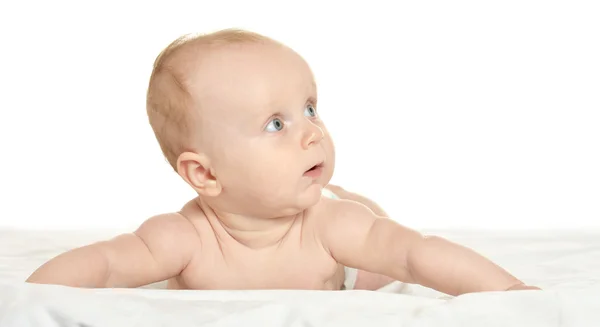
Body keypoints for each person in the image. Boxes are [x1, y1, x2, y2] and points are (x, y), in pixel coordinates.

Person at [26, 28, 540, 294]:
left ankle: (358, 201)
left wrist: (514, 292)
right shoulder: (182, 238)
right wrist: (25, 297)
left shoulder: (328, 225)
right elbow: (107, 265)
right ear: (203, 174)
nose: (313, 131)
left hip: (344, 243)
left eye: (311, 109)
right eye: (277, 124)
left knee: (378, 242)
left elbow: (415, 255)